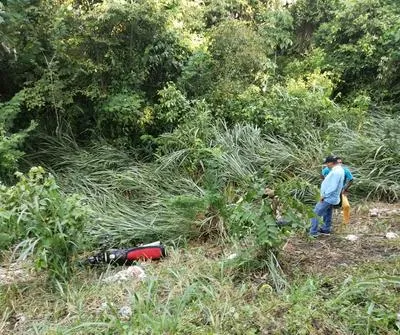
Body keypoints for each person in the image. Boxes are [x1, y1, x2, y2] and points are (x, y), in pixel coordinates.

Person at [310, 156, 344, 237]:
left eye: (327, 163)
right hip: (332, 197)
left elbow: (333, 186)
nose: (326, 165)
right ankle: (326, 229)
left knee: (315, 213)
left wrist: (324, 196)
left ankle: (313, 232)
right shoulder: (338, 170)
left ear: (331, 163)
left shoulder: (336, 172)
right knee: (327, 213)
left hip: (328, 197)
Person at [321, 157, 354, 224]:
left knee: (346, 206)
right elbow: (321, 175)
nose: (339, 164)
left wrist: (345, 189)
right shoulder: (327, 169)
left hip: (340, 191)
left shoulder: (345, 170)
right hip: (329, 192)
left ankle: (346, 222)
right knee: (326, 208)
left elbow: (351, 179)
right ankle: (325, 224)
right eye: (338, 162)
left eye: (340, 162)